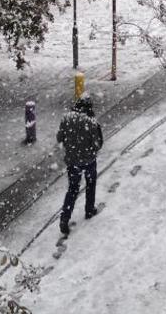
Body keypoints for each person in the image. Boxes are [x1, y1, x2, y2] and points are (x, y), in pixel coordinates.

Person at [56, 96, 103, 235]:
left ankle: (64, 218)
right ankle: (89, 210)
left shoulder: (66, 118)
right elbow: (98, 144)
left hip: (72, 162)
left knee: (72, 189)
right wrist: (90, 149)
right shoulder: (91, 122)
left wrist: (70, 146)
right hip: (89, 161)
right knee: (90, 184)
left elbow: (59, 138)